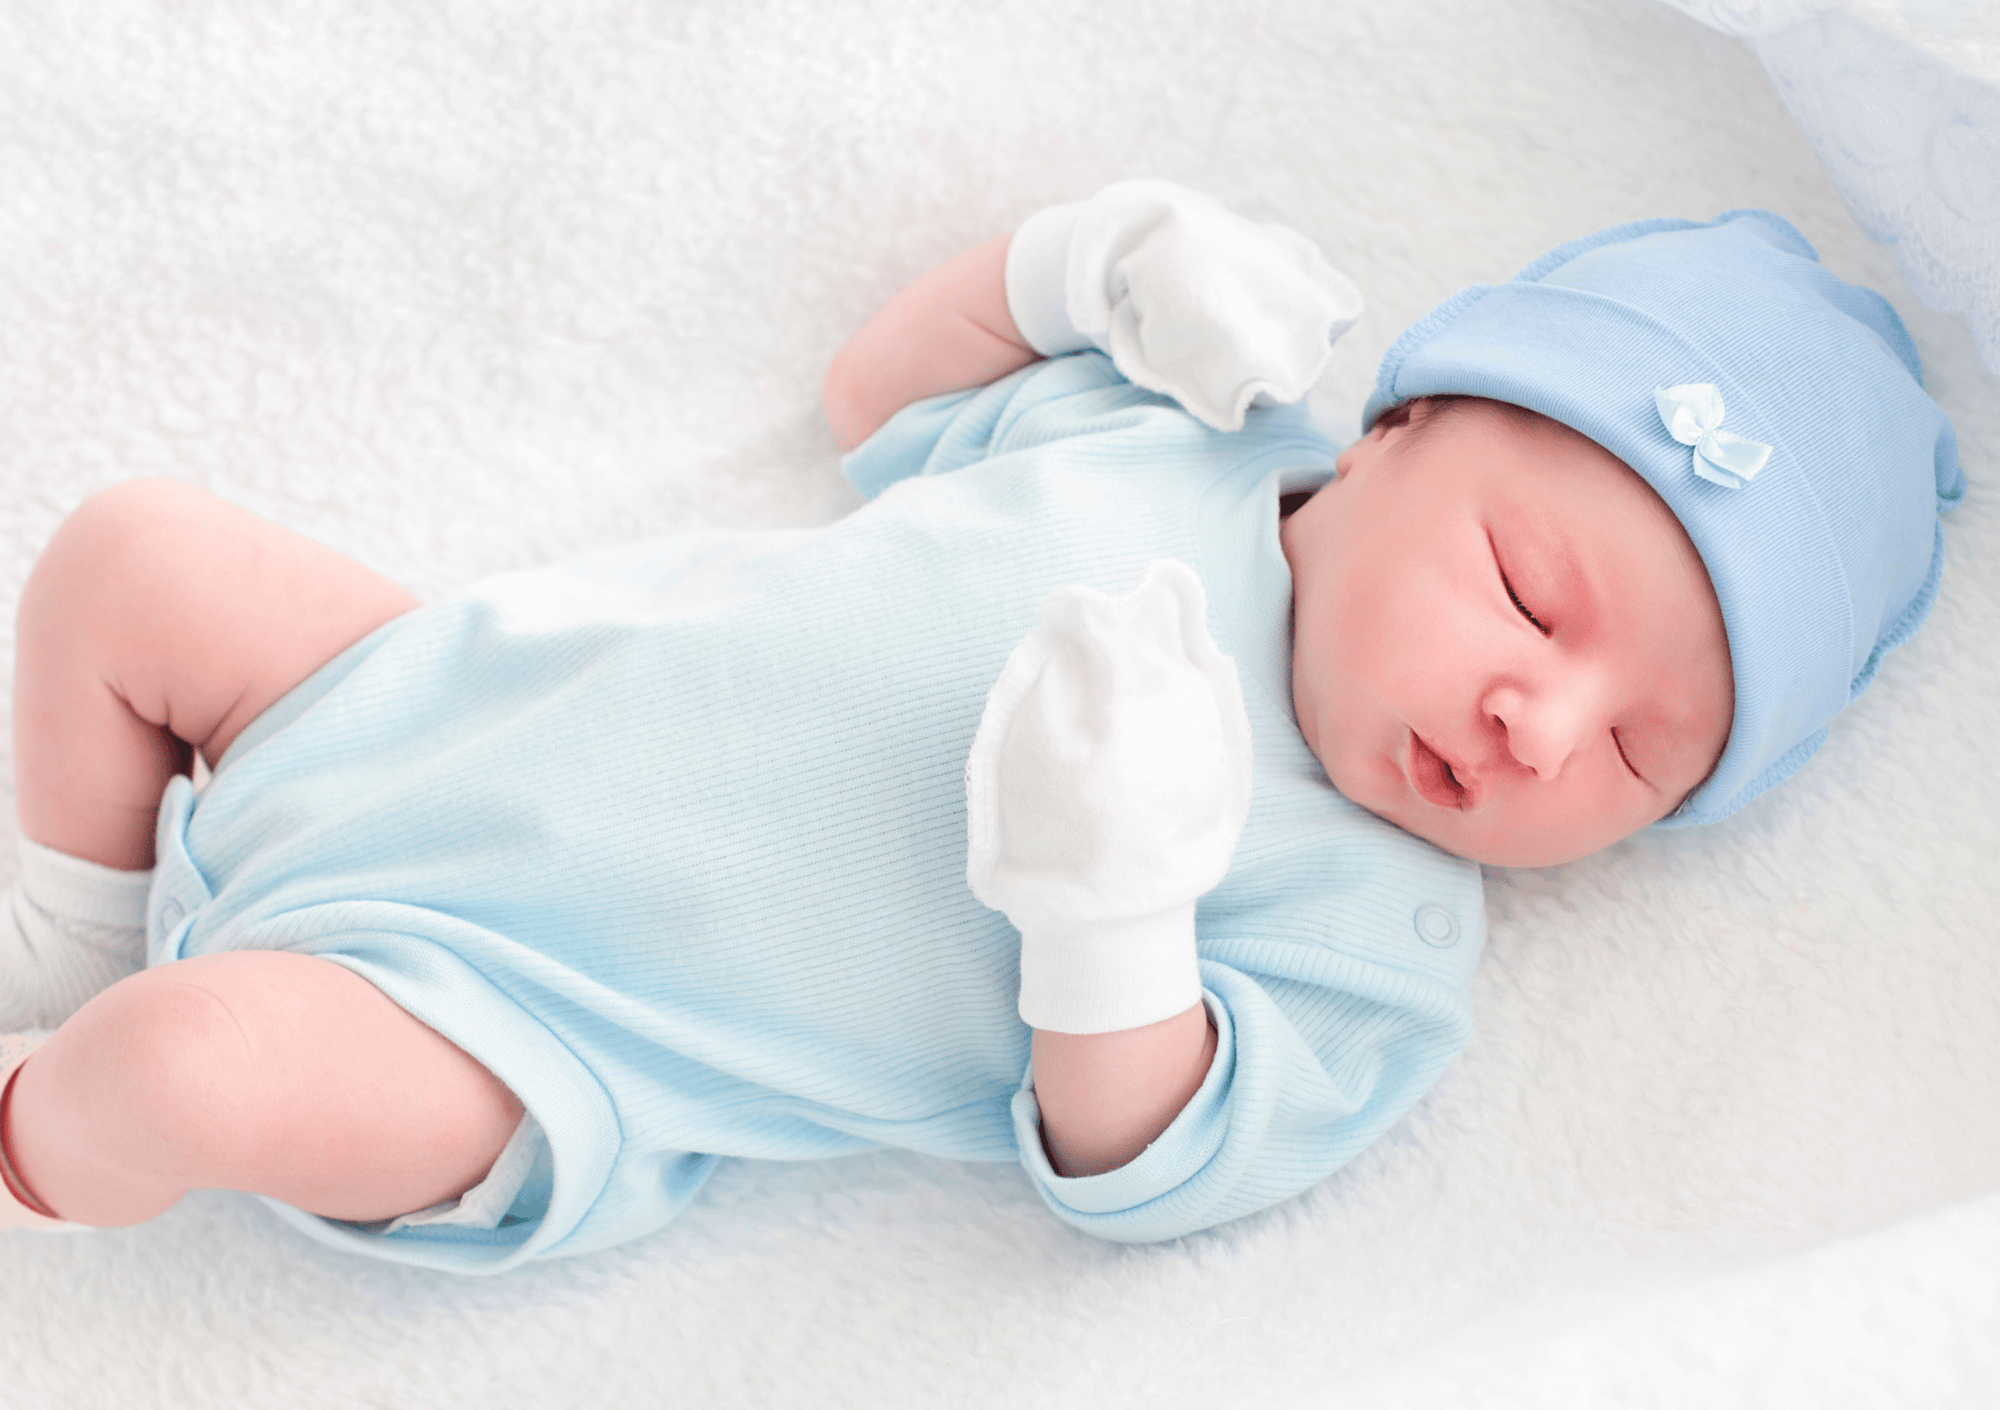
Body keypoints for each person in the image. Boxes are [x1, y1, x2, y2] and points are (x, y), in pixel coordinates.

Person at [0, 185, 1961, 1271]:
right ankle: (62, 933)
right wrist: (1093, 266)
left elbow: (1140, 1156)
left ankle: (41, 1122)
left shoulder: (1381, 936)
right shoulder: (1185, 429)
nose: (1546, 718)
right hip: (429, 692)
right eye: (1535, 596)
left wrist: (1111, 912)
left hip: (526, 1018)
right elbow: (880, 391)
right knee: (132, 555)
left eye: (1640, 761)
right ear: (1395, 429)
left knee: (181, 1060)